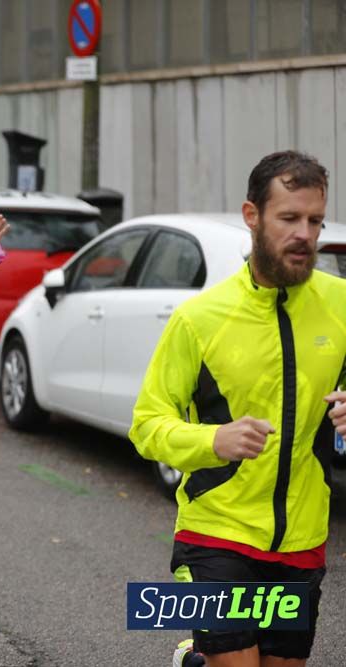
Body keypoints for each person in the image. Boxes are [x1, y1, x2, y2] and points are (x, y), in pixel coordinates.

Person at [130, 151, 346, 667]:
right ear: (252, 216)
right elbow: (146, 424)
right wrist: (212, 440)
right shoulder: (199, 319)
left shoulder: (341, 304)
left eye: (314, 220)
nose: (304, 234)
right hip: (215, 534)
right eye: (289, 218)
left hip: (301, 539)